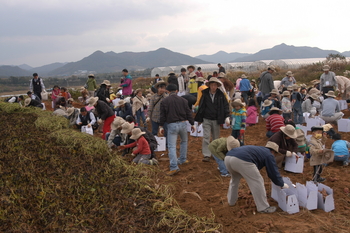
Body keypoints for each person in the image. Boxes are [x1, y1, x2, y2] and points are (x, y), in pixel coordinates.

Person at [224, 141, 289, 213]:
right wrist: (281, 184)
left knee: (234, 180)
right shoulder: (269, 154)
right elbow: (273, 172)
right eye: (276, 154)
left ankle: (231, 201)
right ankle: (263, 207)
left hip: (228, 157)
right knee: (257, 181)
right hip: (242, 160)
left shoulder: (259, 150)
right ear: (273, 151)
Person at [159, 84, 195, 176]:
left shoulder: (165, 101)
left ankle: (174, 166)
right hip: (183, 124)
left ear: (167, 91)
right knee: (184, 142)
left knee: (172, 146)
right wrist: (192, 123)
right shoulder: (183, 100)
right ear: (177, 90)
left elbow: (162, 115)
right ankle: (183, 159)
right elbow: (188, 112)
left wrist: (161, 126)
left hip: (172, 125)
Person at [195, 77, 230, 162]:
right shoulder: (205, 94)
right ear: (209, 85)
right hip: (206, 118)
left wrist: (227, 116)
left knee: (215, 138)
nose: (213, 87)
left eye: (215, 85)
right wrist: (199, 119)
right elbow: (201, 106)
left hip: (216, 119)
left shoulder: (221, 95)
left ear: (217, 86)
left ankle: (215, 154)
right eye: (212, 85)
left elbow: (225, 106)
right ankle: (206, 155)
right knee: (206, 137)